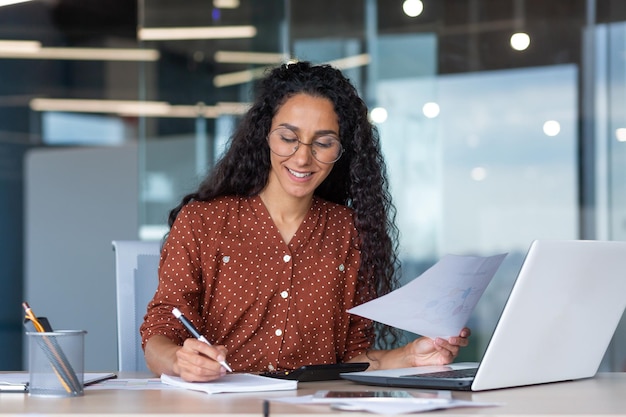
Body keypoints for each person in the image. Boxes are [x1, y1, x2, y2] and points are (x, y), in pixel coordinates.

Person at [139, 61, 470, 382]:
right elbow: (159, 334)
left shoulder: (350, 232)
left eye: (323, 143)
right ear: (264, 135)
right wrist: (180, 361)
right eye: (288, 137)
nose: (302, 157)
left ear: (341, 150)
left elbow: (351, 359)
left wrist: (411, 356)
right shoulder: (203, 221)